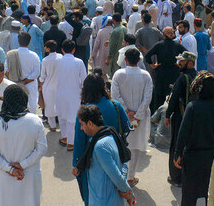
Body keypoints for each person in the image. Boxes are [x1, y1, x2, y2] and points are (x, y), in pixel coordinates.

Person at [0, 84, 47, 206]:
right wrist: (23, 165)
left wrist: (10, 169)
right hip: (29, 175)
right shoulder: (35, 121)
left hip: (4, 176)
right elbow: (42, 149)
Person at [174, 74, 214, 205]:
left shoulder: (192, 106)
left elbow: (183, 133)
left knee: (189, 194)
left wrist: (177, 153)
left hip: (193, 157)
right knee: (212, 192)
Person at [73, 74, 130, 205]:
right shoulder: (116, 105)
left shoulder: (85, 112)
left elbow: (79, 142)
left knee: (93, 195)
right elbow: (127, 128)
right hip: (116, 155)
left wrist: (76, 164)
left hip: (92, 162)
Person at [111, 48, 153, 187]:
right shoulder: (146, 75)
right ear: (140, 59)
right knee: (135, 147)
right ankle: (130, 176)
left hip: (122, 117)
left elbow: (115, 96)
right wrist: (137, 114)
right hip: (139, 118)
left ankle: (121, 176)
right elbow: (147, 98)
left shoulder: (118, 74)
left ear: (125, 60)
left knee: (121, 143)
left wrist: (126, 112)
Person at [165, 51, 197, 187]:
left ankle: (176, 177)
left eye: (182, 61)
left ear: (190, 63)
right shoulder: (199, 76)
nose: (179, 63)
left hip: (181, 116)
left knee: (177, 146)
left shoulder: (183, 78)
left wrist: (167, 115)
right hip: (195, 118)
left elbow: (173, 99)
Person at [145, 27, 186, 112]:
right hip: (173, 72)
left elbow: (147, 55)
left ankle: (157, 115)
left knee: (159, 94)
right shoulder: (177, 45)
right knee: (172, 93)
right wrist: (180, 64)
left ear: (164, 35)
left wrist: (153, 65)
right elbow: (187, 54)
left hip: (161, 71)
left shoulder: (159, 45)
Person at [56, 39, 87, 151]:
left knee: (62, 116)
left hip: (60, 93)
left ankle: (65, 137)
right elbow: (84, 80)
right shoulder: (79, 62)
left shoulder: (57, 61)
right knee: (72, 119)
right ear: (74, 50)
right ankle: (71, 142)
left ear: (62, 49)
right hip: (74, 94)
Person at [39, 40, 62, 131]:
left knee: (49, 106)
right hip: (59, 86)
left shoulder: (45, 60)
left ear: (48, 48)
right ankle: (61, 126)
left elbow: (42, 76)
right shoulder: (61, 57)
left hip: (48, 86)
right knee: (60, 106)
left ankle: (52, 126)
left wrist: (41, 88)